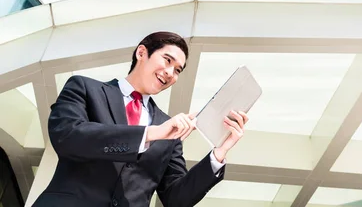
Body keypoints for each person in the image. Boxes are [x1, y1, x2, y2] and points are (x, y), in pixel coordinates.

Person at [33, 31, 248, 207]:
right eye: (167, 60)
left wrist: (219, 153)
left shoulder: (169, 131)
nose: (170, 73)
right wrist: (150, 134)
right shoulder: (85, 88)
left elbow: (176, 199)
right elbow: (68, 137)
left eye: (177, 70)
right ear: (142, 52)